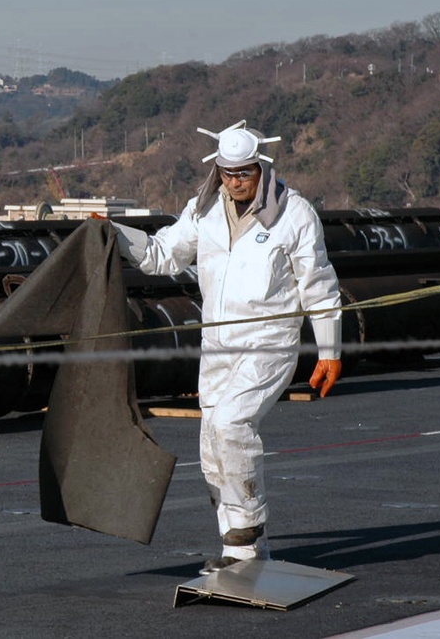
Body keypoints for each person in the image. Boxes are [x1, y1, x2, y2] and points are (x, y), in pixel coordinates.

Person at [112, 120, 342, 574]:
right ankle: (240, 552)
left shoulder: (293, 214)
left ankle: (248, 532)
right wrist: (113, 234)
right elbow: (163, 255)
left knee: (232, 426)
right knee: (212, 445)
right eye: (227, 172)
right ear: (217, 169)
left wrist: (329, 349)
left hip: (268, 343)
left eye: (244, 172)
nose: (236, 181)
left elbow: (319, 286)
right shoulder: (205, 211)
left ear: (262, 167)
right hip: (217, 345)